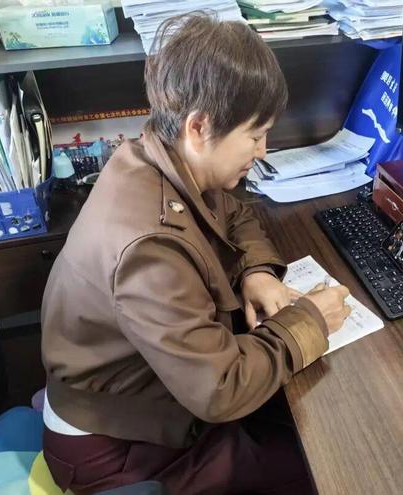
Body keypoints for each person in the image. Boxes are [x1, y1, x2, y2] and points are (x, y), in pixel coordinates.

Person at [40, 13, 351, 495]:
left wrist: (257, 271)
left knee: (294, 422)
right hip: (117, 448)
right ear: (199, 126)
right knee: (325, 466)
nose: (263, 151)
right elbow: (220, 390)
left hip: (153, 403)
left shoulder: (159, 157)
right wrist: (311, 321)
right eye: (255, 135)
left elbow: (234, 213)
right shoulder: (149, 250)